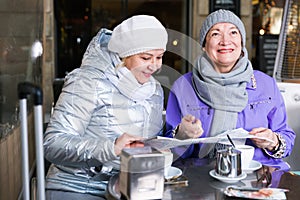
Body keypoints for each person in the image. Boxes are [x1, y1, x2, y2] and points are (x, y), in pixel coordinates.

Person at [165, 9, 295, 170]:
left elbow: (286, 141)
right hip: (203, 175)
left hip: (261, 174)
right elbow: (169, 151)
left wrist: (273, 141)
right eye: (215, 34)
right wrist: (181, 136)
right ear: (204, 45)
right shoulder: (183, 87)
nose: (225, 41)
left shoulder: (265, 84)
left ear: (241, 42)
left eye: (233, 32)